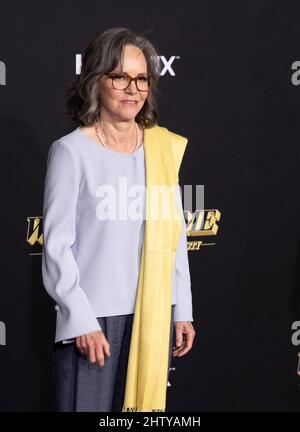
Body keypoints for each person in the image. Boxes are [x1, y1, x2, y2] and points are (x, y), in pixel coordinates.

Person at [42, 26, 196, 412]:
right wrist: (80, 320)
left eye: (142, 78)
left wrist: (182, 310)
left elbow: (172, 238)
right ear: (97, 80)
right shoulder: (71, 152)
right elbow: (57, 247)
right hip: (94, 321)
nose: (133, 89)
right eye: (120, 77)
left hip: (152, 314)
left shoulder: (160, 148)